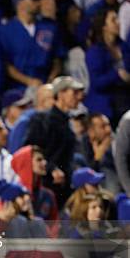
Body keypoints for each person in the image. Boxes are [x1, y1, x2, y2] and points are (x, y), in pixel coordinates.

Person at [25, 76, 84, 204]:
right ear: (61, 94)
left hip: (64, 186)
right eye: (74, 92)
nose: (79, 97)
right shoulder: (42, 120)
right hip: (46, 185)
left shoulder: (68, 122)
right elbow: (31, 150)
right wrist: (51, 168)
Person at [0, 0, 64, 89]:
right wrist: (28, 81)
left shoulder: (49, 28)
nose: (38, 3)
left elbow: (57, 59)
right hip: (17, 87)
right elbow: (5, 64)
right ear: (20, 3)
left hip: (45, 84)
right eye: (34, 0)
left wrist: (51, 79)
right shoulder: (5, 31)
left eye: (38, 0)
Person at [84, 9, 130, 126]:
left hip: (125, 102)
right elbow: (97, 82)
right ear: (104, 26)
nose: (118, 22)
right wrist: (117, 75)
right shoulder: (95, 51)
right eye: (113, 20)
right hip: (104, 108)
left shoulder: (125, 47)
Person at [11, 145, 59, 222]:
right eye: (39, 160)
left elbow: (55, 225)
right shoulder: (12, 194)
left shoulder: (48, 195)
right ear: (27, 163)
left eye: (43, 159)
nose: (44, 162)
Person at [7, 83, 55, 153]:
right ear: (42, 100)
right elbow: (15, 150)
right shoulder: (26, 120)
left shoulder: (52, 119)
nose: (57, 102)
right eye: (54, 98)